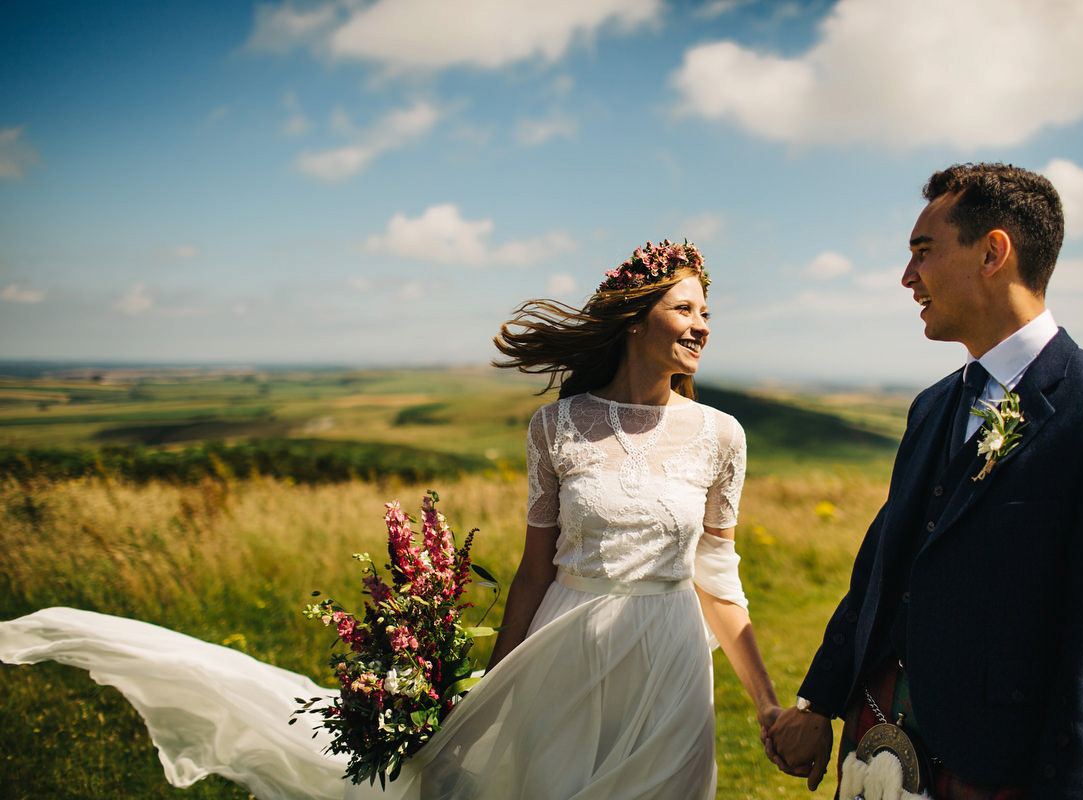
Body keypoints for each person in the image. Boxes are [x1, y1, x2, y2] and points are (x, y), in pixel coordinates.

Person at [0, 239, 782, 800]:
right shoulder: (558, 426)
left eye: (707, 311)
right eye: (686, 308)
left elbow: (718, 574)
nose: (703, 324)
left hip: (672, 662)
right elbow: (534, 571)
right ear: (635, 318)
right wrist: (488, 684)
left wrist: (766, 702)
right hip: (564, 649)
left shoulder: (722, 435)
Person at [763, 163, 1083, 799]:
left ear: (993, 253)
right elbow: (882, 567)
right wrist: (819, 700)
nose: (907, 278)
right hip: (875, 745)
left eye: (922, 253)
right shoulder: (931, 406)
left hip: (998, 770)